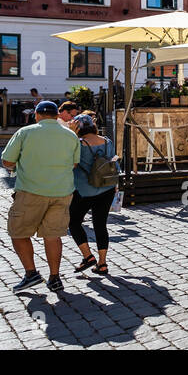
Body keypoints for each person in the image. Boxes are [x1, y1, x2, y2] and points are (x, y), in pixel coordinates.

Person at [0, 101, 82, 293]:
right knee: (53, 236)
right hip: (62, 193)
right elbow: (74, 164)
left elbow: (7, 161)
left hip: (31, 191)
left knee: (18, 232)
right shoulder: (71, 136)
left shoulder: (25, 132)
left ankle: (31, 273)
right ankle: (54, 277)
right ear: (56, 116)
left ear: (36, 115)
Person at [68, 114, 117, 276]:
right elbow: (114, 163)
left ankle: (88, 256)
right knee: (100, 225)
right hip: (106, 188)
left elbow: (70, 163)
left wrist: (71, 135)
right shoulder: (107, 141)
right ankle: (102, 263)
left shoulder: (77, 143)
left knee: (74, 222)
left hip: (84, 190)